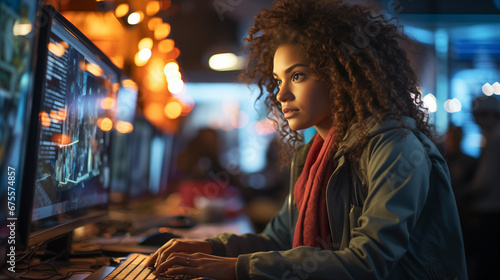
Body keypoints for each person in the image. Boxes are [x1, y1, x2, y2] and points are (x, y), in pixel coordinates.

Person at [145, 0, 467, 279]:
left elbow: (369, 262)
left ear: (340, 74)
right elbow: (280, 238)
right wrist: (210, 247)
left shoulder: (395, 148)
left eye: (297, 76)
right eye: (277, 80)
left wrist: (234, 268)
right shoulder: (311, 157)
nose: (282, 93)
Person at [464, 95, 500, 279]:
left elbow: (484, 182)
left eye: (482, 116)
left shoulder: (495, 138)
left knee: (485, 265)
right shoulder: (491, 137)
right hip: (491, 210)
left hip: (489, 212)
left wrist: (463, 192)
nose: (480, 121)